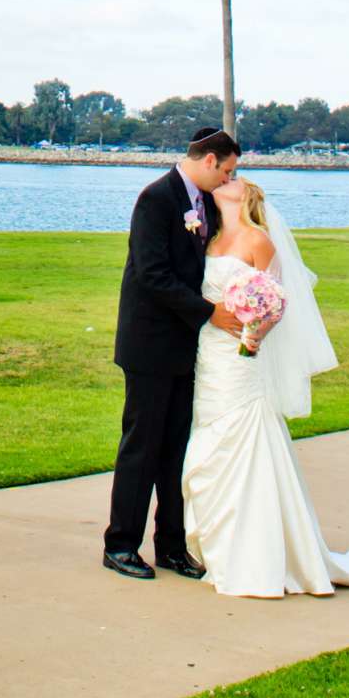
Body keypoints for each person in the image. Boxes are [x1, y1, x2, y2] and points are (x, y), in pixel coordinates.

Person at [182, 174, 349, 597]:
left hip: (241, 358)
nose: (228, 180)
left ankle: (258, 554)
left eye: (235, 179)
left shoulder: (258, 240)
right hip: (208, 352)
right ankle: (218, 545)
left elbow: (276, 300)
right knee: (208, 442)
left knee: (244, 439)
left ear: (247, 197)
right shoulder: (207, 238)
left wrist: (255, 333)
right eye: (225, 175)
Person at [103, 125, 245, 580]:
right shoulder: (156, 198)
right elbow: (152, 274)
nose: (228, 179)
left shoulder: (204, 203)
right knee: (141, 447)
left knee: (176, 451)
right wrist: (210, 313)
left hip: (187, 347)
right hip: (149, 344)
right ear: (208, 160)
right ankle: (120, 544)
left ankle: (170, 545)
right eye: (226, 170)